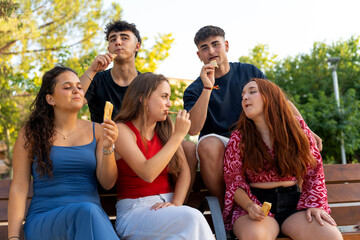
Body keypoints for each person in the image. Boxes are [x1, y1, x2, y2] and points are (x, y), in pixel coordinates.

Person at [183, 25, 323, 209]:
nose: (211, 51)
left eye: (215, 44)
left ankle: (303, 205)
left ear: (226, 45)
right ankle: (225, 210)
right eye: (204, 48)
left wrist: (307, 129)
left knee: (293, 133)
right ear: (199, 55)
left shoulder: (249, 72)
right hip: (221, 143)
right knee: (208, 145)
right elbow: (193, 129)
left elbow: (279, 103)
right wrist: (207, 87)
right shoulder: (194, 89)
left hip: (253, 137)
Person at [8, 66, 119, 240]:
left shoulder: (98, 131)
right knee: (87, 211)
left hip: (90, 219)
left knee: (88, 212)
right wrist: (13, 237)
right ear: (50, 99)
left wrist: (108, 147)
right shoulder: (30, 134)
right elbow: (19, 188)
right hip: (45, 221)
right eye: (67, 87)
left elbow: (107, 182)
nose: (76, 90)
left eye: (79, 87)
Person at [222, 78, 342, 239]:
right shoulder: (239, 138)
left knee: (330, 236)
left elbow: (314, 171)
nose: (244, 97)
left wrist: (316, 205)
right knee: (255, 236)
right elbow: (234, 183)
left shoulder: (297, 128)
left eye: (252, 92)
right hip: (254, 203)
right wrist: (250, 206)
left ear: (270, 96)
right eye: (243, 94)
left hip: (294, 205)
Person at [113, 72, 214, 239]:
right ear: (143, 98)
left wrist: (175, 204)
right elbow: (147, 173)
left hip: (168, 208)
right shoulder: (122, 130)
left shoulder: (166, 129)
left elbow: (183, 172)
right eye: (164, 96)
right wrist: (177, 137)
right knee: (193, 217)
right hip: (135, 212)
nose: (169, 103)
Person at [80, 20, 142, 123]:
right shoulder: (96, 79)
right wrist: (92, 70)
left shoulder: (147, 84)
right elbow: (71, 102)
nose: (117, 42)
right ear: (109, 49)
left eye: (124, 38)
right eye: (113, 39)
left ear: (137, 46)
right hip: (101, 138)